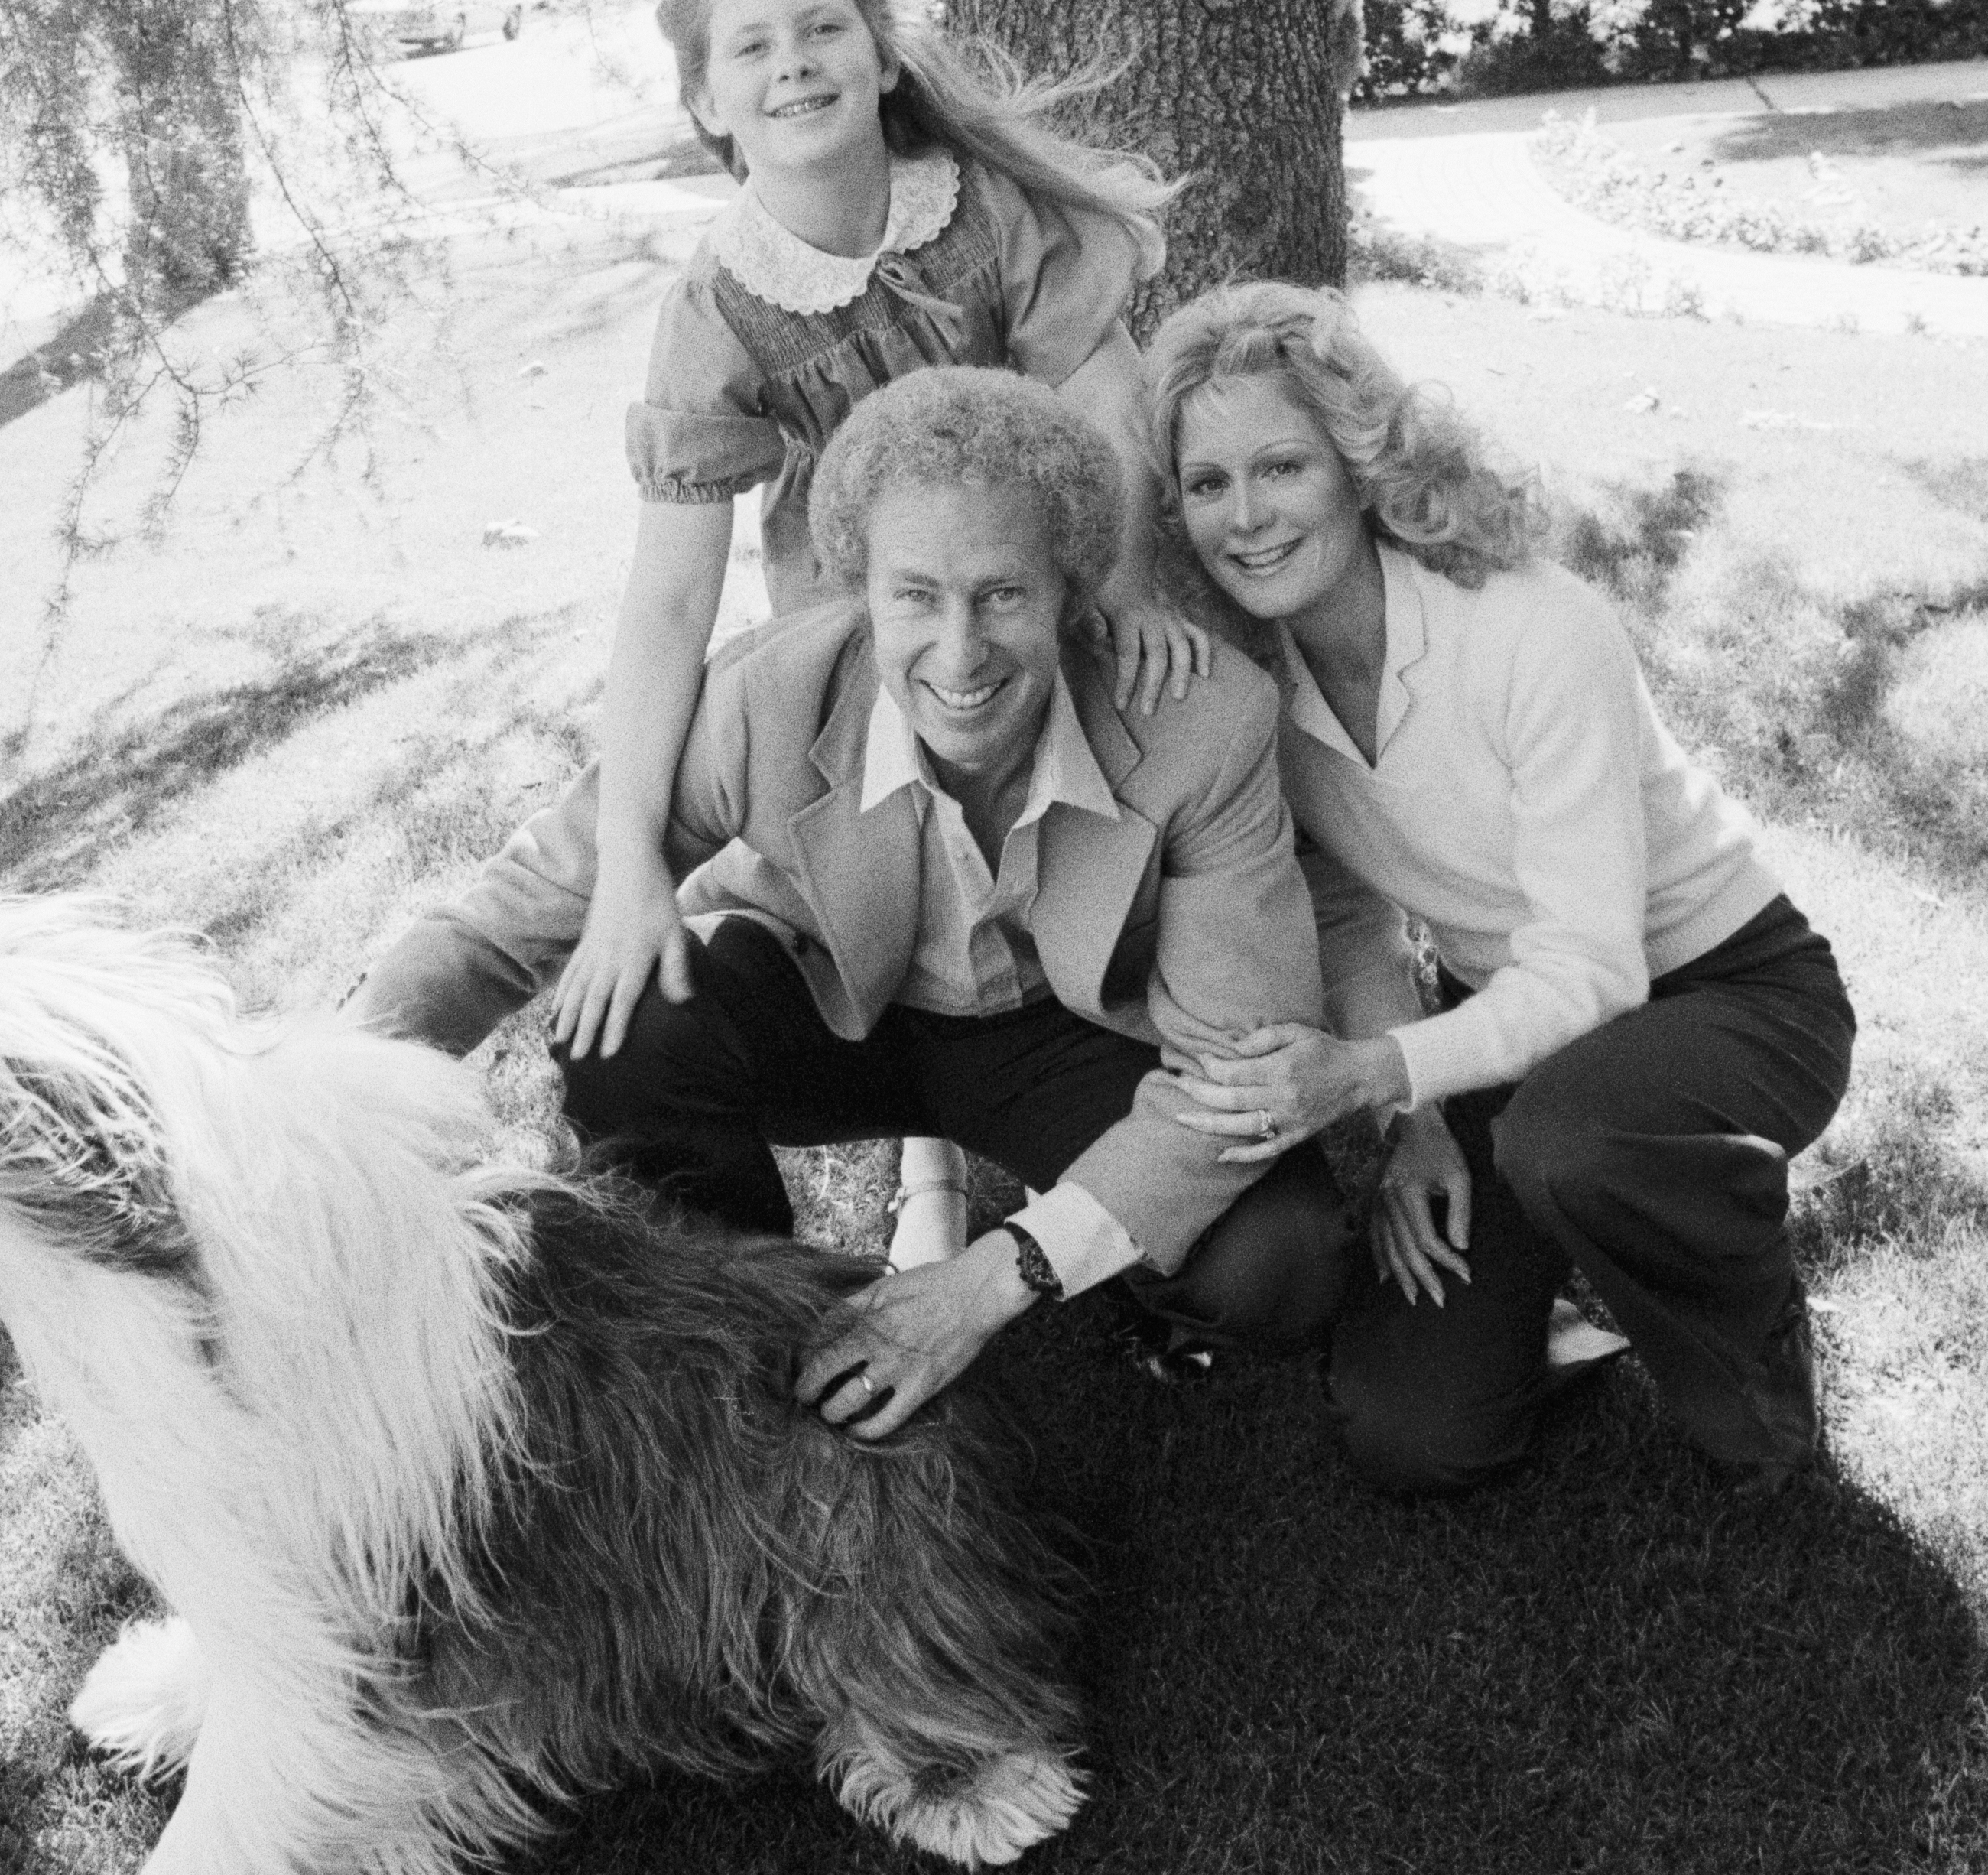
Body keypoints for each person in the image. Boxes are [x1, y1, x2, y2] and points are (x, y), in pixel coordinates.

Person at [358, 366, 1346, 1444]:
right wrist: (311, 1083)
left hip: (1069, 1035)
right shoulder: (766, 693)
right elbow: (518, 912)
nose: (959, 652)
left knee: (1281, 1263)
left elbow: (1241, 1071)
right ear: (857, 589)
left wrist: (992, 1278)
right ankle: (744, 1326)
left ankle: (1106, 1282)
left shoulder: (1209, 722)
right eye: (915, 596)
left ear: (1071, 591)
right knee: (629, 1019)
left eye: (1003, 594)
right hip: (839, 1009)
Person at [551, 0, 1206, 1280]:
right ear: (707, 102)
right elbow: (671, 601)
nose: (793, 61)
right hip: (867, 639)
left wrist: (1127, 597)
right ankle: (900, 1177)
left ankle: (1098, 1103)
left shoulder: (986, 221)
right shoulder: (721, 305)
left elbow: (1111, 413)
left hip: (1044, 599)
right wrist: (627, 867)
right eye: (751, 48)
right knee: (901, 863)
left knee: (1072, 847)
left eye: (821, 27)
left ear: (885, 55)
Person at [1140, 281, 1856, 1494]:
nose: (1246, 519)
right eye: (1209, 486)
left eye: (1282, 468)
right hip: (1515, 1036)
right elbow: (1351, 911)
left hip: (1731, 992)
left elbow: (1595, 967)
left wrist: (1374, 1073)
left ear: (1360, 465)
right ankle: (1582, 1267)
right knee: (1413, 1436)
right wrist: (1409, 1118)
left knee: (1573, 1140)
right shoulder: (1252, 687)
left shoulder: (1535, 627)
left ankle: (1734, 1293)